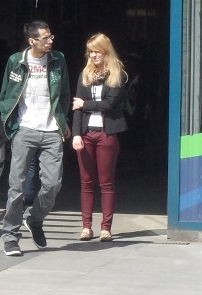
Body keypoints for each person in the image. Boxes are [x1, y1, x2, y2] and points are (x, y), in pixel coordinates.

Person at [0, 21, 70, 257]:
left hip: (51, 130)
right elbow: (6, 95)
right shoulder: (15, 61)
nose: (51, 41)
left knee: (53, 183)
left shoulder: (58, 59)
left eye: (51, 36)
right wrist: (13, 127)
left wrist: (62, 121)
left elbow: (65, 93)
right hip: (25, 129)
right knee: (16, 187)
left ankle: (35, 219)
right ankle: (10, 235)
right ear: (32, 41)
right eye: (45, 38)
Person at [71, 33, 128, 242]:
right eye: (90, 51)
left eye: (97, 51)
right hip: (86, 134)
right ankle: (86, 227)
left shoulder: (116, 74)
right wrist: (76, 133)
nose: (93, 55)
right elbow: (76, 107)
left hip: (107, 133)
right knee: (86, 182)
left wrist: (85, 104)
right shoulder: (84, 74)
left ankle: (106, 228)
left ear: (106, 52)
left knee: (106, 182)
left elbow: (110, 104)